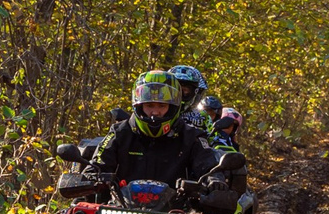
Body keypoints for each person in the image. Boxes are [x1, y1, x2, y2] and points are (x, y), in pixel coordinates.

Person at [89, 71, 245, 202]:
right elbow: (97, 164)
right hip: (117, 210)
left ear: (173, 107)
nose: (155, 112)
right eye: (150, 105)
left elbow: (207, 167)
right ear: (139, 105)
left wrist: (214, 181)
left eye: (161, 106)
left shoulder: (192, 136)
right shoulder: (119, 132)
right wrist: (90, 176)